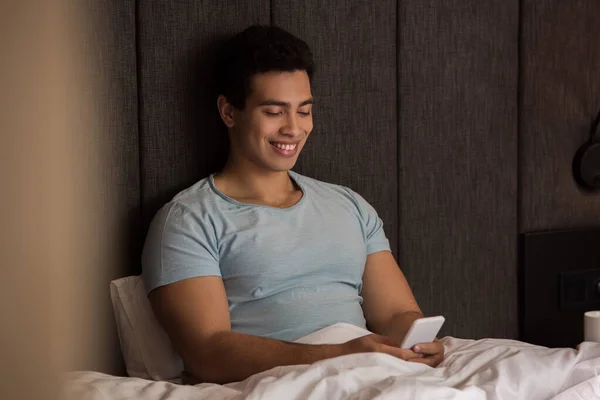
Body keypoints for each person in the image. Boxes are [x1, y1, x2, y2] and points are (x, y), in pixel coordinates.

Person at [141, 24, 444, 385]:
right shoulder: (189, 219)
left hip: (371, 372)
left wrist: (418, 338)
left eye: (303, 111)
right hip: (282, 381)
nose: (294, 129)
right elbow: (208, 352)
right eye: (274, 112)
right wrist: (338, 356)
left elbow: (396, 312)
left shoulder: (349, 205)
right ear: (229, 112)